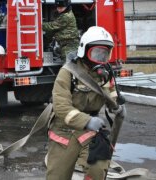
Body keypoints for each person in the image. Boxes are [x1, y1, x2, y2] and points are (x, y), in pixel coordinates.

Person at [46, 26, 125, 180]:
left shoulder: (105, 73)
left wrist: (117, 107)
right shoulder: (68, 72)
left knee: (98, 169)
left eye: (105, 54)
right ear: (84, 50)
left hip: (92, 130)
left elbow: (111, 94)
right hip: (64, 130)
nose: (101, 58)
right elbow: (61, 107)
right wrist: (87, 120)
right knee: (57, 176)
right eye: (97, 53)